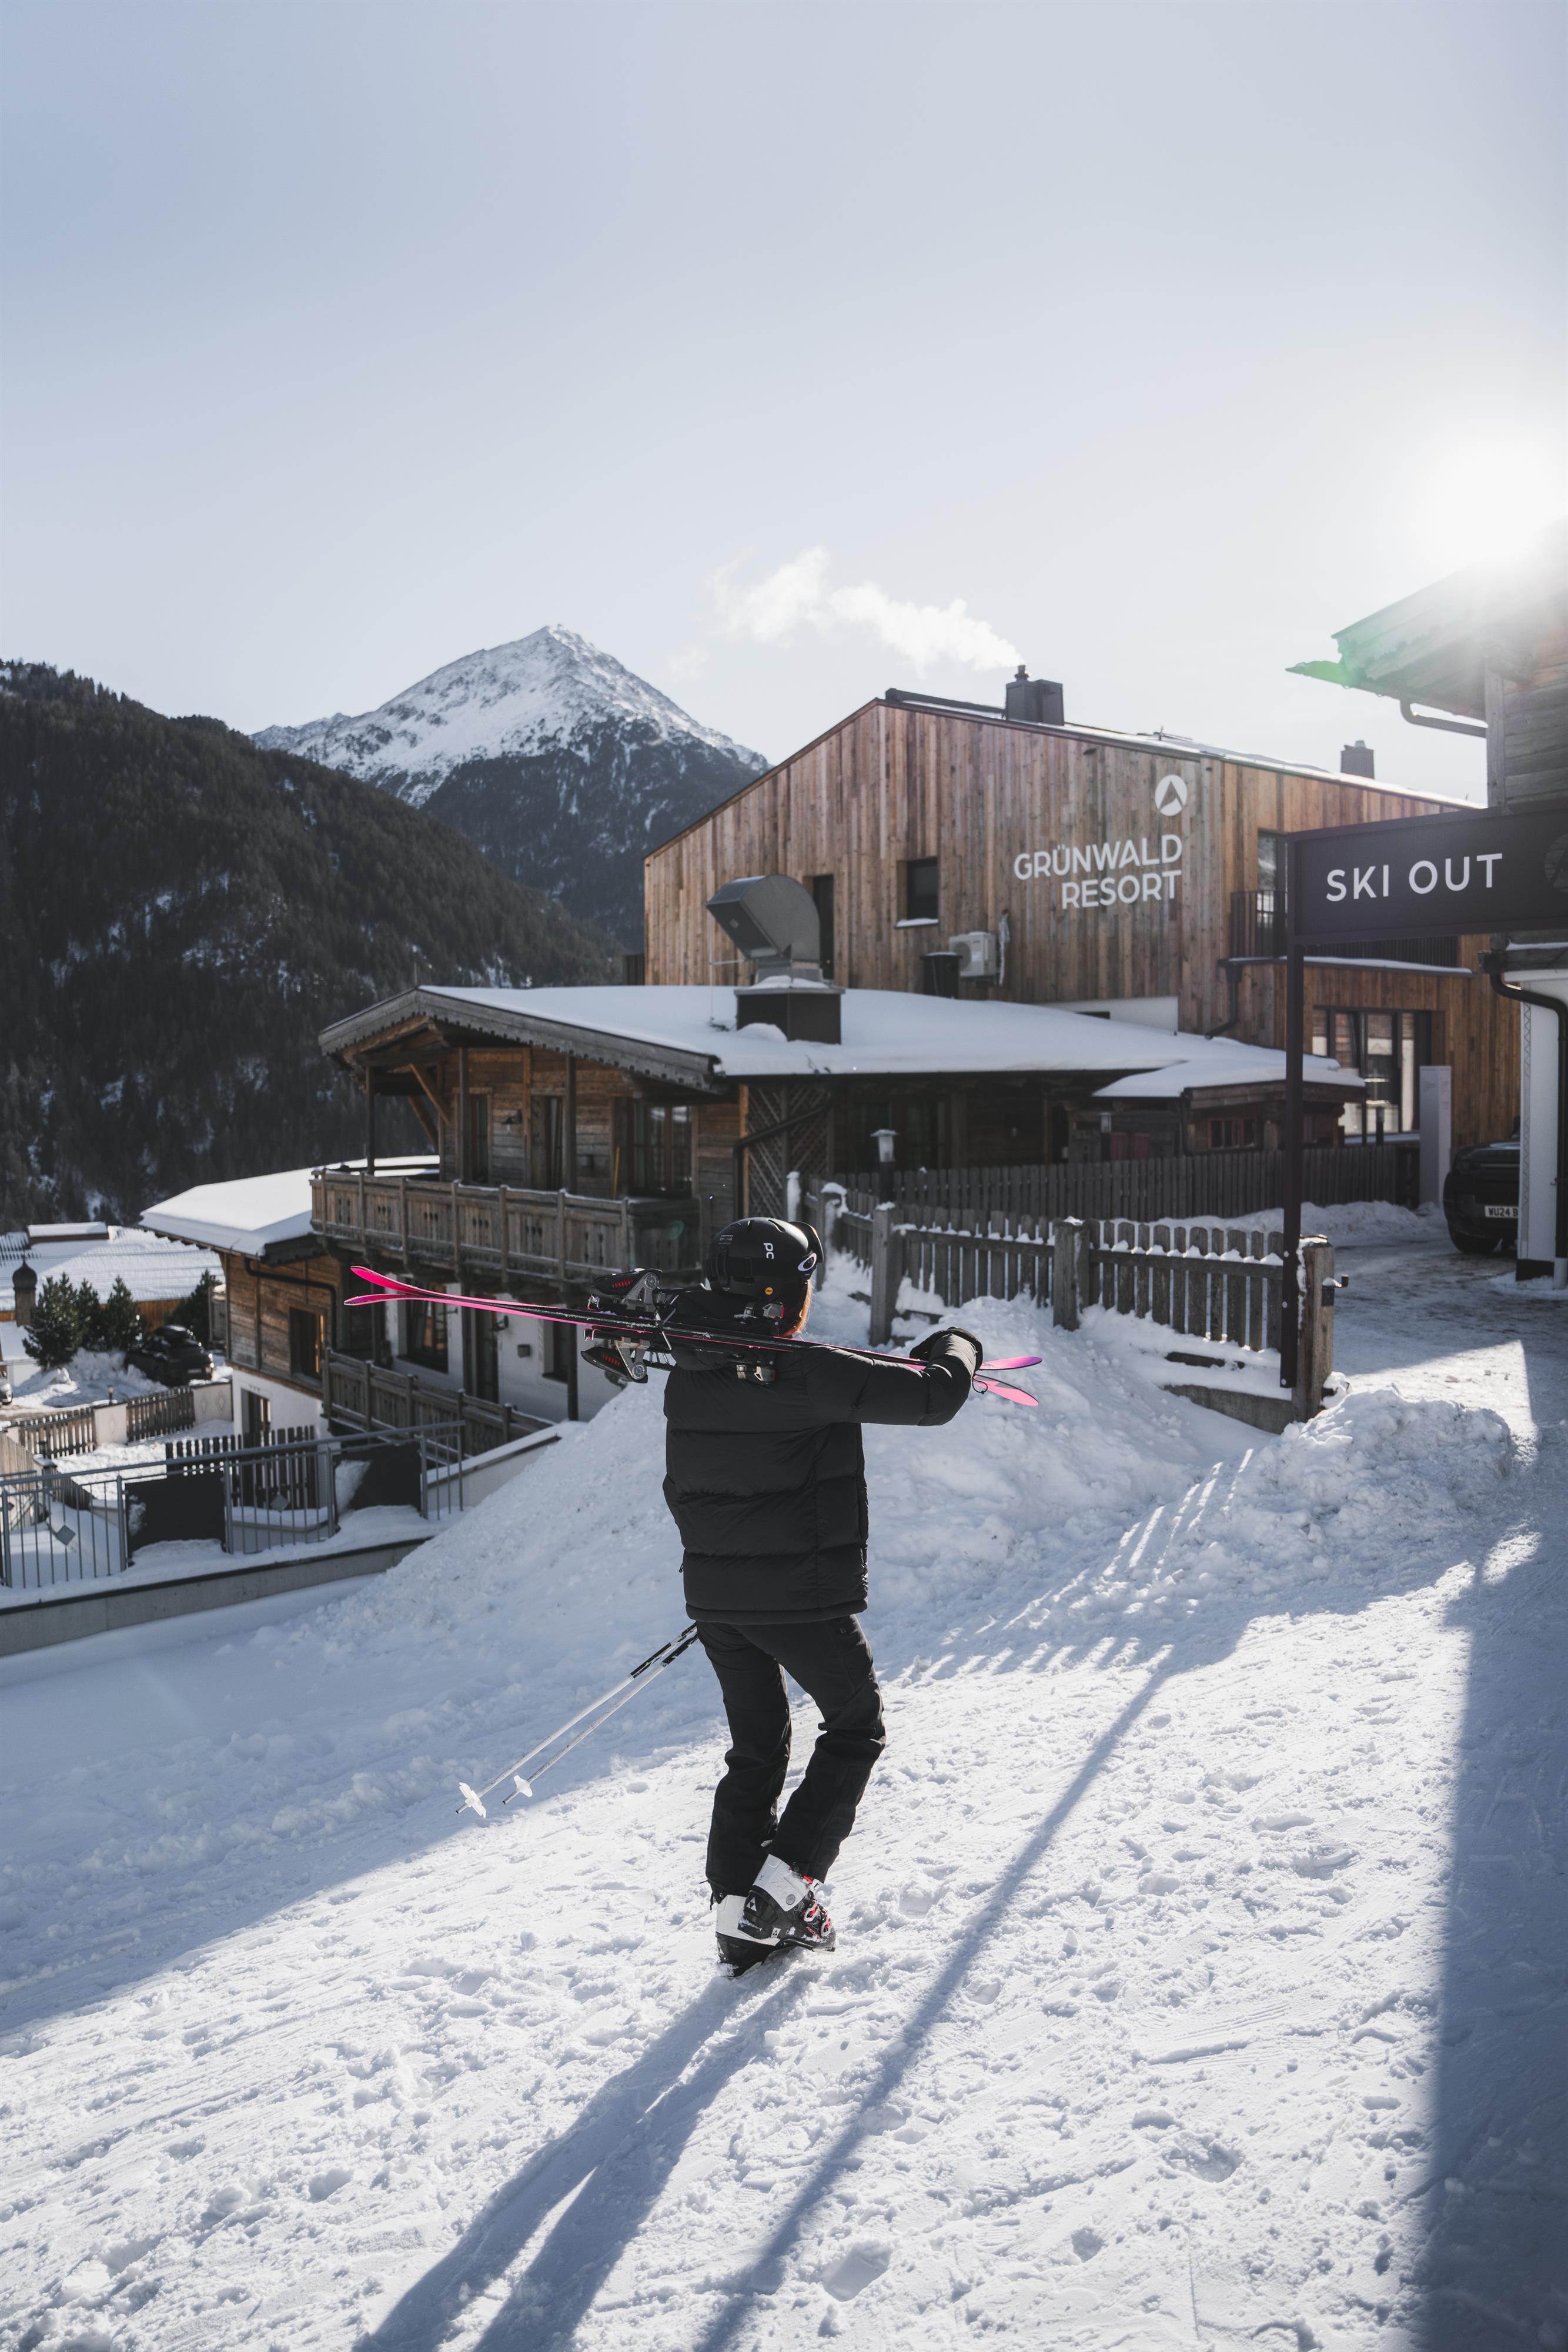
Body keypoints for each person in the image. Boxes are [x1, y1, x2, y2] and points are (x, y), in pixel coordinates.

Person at [662, 1215, 981, 1971]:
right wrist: (959, 1343)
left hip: (718, 1600)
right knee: (855, 1725)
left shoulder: (693, 1364)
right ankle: (784, 1886)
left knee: (757, 1746)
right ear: (785, 1295)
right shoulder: (808, 1373)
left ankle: (738, 1917)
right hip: (798, 1599)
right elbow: (936, 1396)